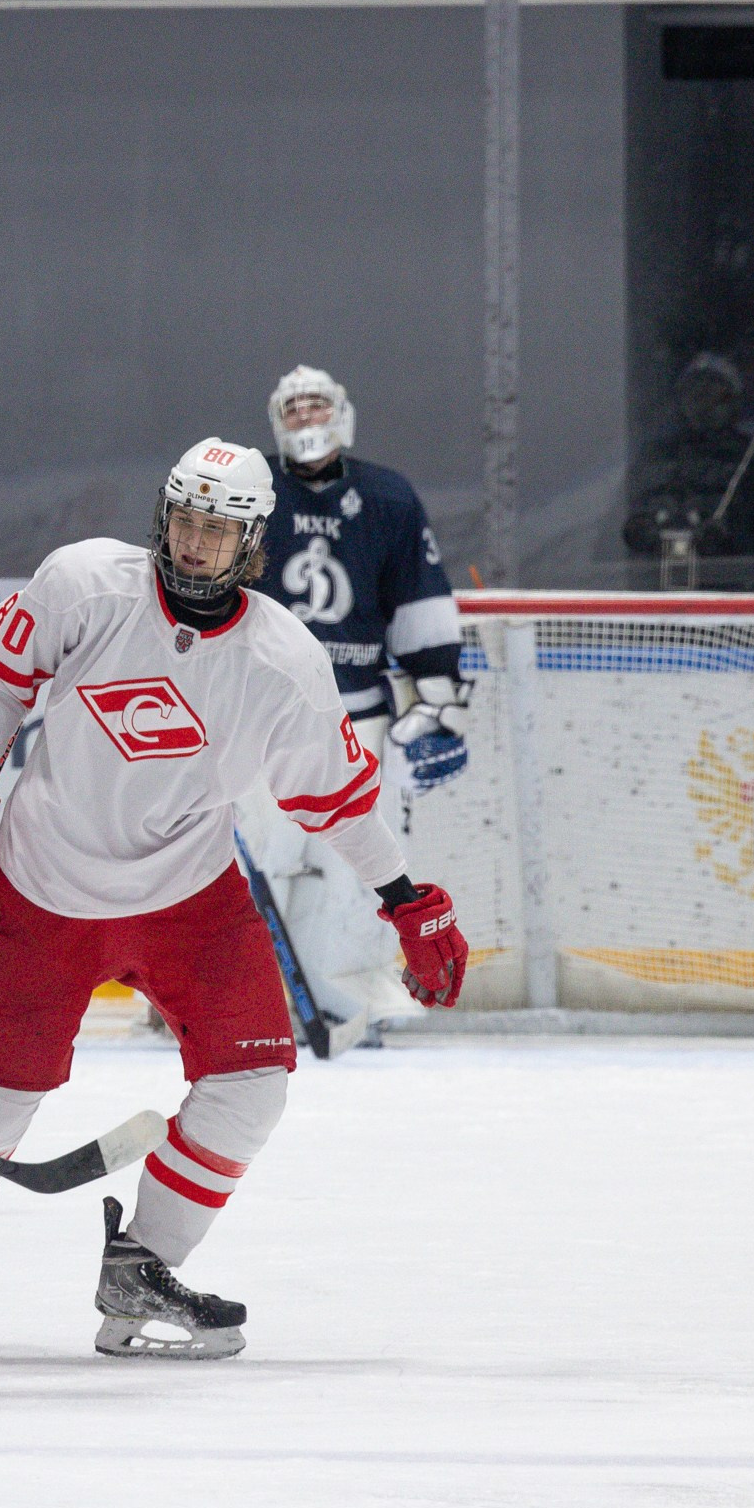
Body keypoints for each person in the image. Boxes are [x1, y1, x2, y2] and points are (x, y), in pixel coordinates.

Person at [0, 439, 469, 1358]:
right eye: (185, 519)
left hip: (190, 896)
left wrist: (406, 897)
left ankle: (142, 1260)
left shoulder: (282, 659)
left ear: (253, 541)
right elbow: (3, 676)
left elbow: (337, 797)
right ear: (163, 517)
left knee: (251, 1088)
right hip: (49, 886)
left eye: (219, 527)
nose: (196, 541)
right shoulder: (84, 582)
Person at [246, 365, 469, 1035]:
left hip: (358, 717)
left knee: (344, 866)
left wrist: (437, 698)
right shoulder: (248, 492)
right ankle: (209, 996)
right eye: (293, 410)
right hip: (260, 713)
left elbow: (419, 597)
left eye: (317, 408)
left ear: (343, 414)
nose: (306, 421)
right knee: (254, 857)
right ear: (273, 421)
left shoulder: (389, 498)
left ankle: (333, 988)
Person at [622, 352, 754, 578]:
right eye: (696, 394)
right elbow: (615, 540)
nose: (704, 405)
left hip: (747, 594)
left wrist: (737, 540)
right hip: (655, 594)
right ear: (680, 401)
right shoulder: (654, 459)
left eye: (717, 396)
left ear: (736, 401)